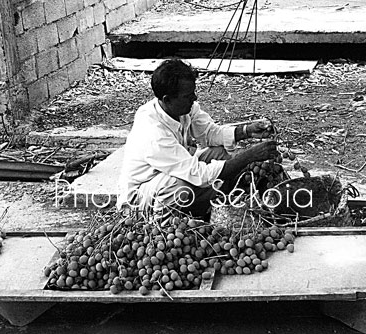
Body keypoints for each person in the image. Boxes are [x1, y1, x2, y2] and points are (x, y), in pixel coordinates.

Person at [117, 59, 278, 219]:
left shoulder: (181, 108)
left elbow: (209, 133)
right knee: (179, 186)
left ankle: (214, 209)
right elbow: (198, 173)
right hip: (139, 197)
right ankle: (162, 227)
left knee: (219, 153)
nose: (194, 98)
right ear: (167, 99)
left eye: (193, 92)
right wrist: (249, 156)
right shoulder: (153, 133)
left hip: (169, 176)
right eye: (188, 96)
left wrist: (247, 131)